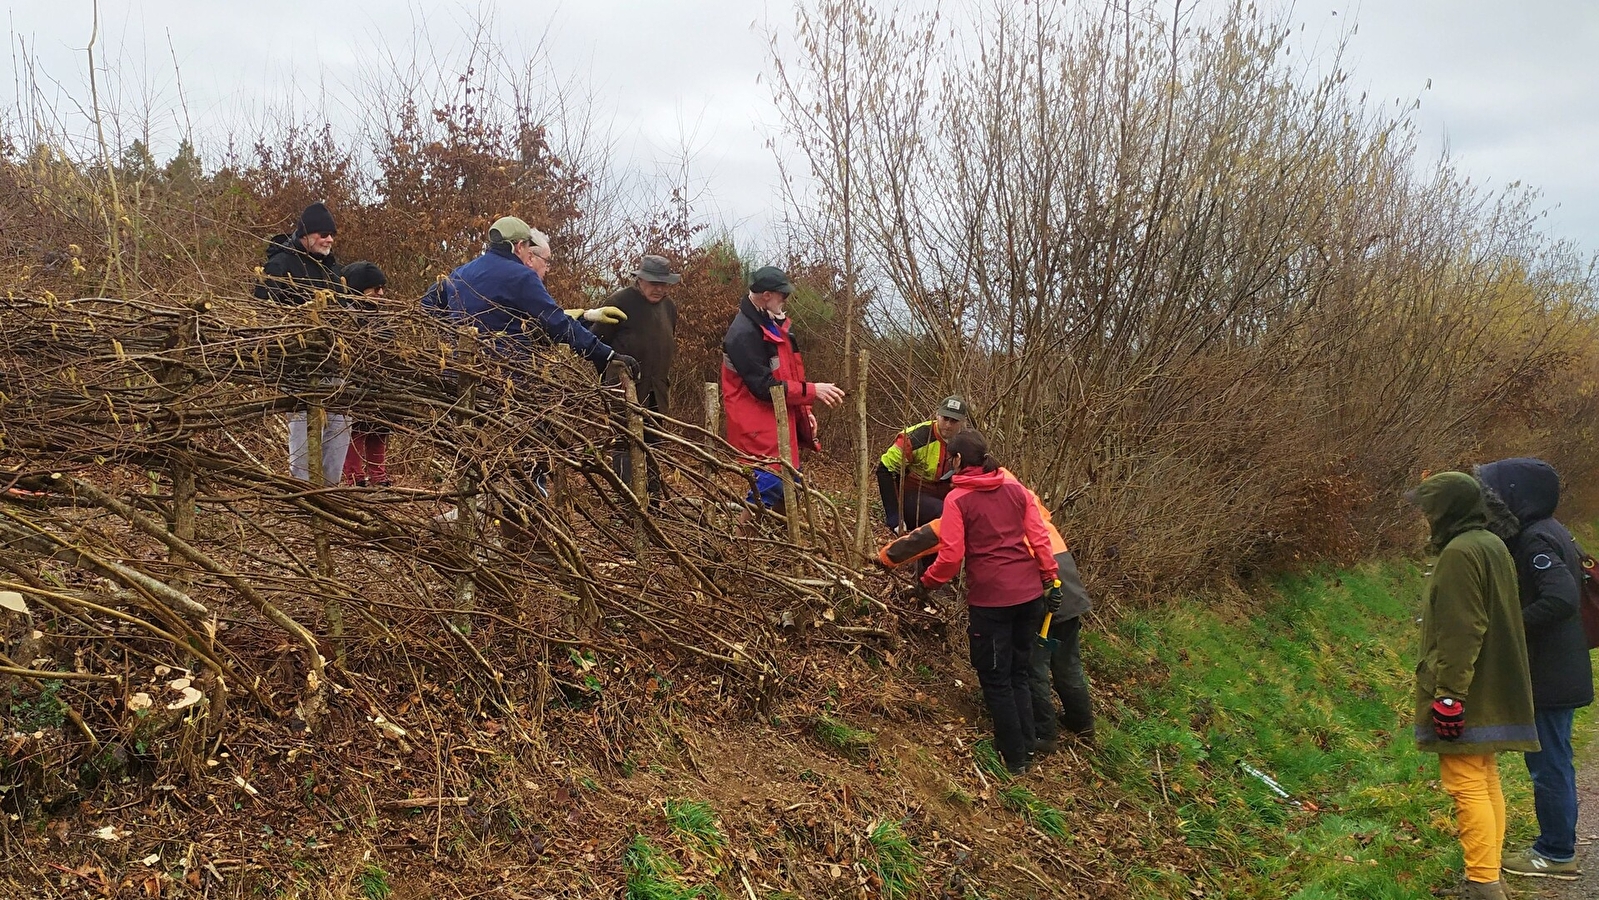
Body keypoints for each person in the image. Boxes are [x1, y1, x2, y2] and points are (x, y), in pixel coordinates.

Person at [876, 471, 1094, 752]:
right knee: (1067, 661)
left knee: (1031, 667)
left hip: (1033, 578)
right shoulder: (1019, 492)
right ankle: (1082, 724)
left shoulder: (976, 502)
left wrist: (886, 557)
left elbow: (932, 536)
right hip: (1063, 569)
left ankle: (1044, 733)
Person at [1408, 471, 1539, 900]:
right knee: (1484, 776)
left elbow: (1464, 629)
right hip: (1491, 684)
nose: (1424, 518)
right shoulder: (1491, 544)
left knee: (1465, 781)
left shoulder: (1461, 553)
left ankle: (1483, 884)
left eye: (1429, 509)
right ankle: (1490, 876)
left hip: (1470, 687)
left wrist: (1449, 695)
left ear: (1447, 510)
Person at [1475, 458, 1592, 881]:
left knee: (1550, 765)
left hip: (1552, 675)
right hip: (1557, 669)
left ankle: (1557, 853)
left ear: (1512, 496)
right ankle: (1556, 847)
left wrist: (1508, 627)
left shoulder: (1535, 538)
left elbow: (1560, 598)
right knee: (1552, 761)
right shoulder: (1547, 530)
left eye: (1490, 494)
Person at [918, 430, 1060, 775]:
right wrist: (1049, 578)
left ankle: (1014, 758)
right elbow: (1039, 537)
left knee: (995, 678)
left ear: (958, 461)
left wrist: (927, 583)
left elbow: (951, 556)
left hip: (992, 601)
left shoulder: (959, 499)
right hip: (1029, 596)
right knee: (1018, 673)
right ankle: (1026, 744)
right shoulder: (1015, 489)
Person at [421, 216, 637, 378]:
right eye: (527, 247)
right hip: (504, 379)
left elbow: (426, 306)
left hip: (456, 373)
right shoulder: (521, 276)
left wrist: (450, 331)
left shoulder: (460, 272)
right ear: (519, 246)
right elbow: (557, 324)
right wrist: (606, 355)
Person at [720, 266, 845, 509]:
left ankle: (785, 542)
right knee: (772, 483)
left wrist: (805, 410)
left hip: (777, 418)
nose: (785, 300)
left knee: (790, 480)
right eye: (783, 295)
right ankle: (741, 539)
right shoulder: (742, 334)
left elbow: (791, 371)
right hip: (755, 420)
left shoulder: (773, 324)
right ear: (767, 295)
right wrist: (813, 391)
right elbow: (764, 388)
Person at [253, 201, 351, 485]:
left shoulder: (332, 271)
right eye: (323, 234)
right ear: (305, 235)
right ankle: (305, 495)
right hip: (299, 369)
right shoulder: (280, 265)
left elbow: (344, 313)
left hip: (332, 366)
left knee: (338, 426)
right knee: (304, 431)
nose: (329, 239)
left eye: (331, 234)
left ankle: (328, 494)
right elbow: (265, 312)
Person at [589, 255, 682, 494]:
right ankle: (627, 503)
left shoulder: (669, 308)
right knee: (625, 444)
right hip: (623, 390)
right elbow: (595, 344)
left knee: (653, 445)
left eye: (664, 284)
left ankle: (652, 499)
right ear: (639, 280)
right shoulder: (619, 302)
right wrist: (612, 378)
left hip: (657, 391)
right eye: (653, 283)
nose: (659, 289)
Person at [876, 396, 969, 534]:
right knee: (946, 513)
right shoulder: (915, 438)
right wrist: (895, 517)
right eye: (945, 418)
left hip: (946, 493)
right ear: (937, 415)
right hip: (913, 495)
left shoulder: (967, 442)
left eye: (954, 421)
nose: (948, 425)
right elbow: (884, 469)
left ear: (962, 422)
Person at [340, 261, 393, 487]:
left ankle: (378, 474)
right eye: (374, 289)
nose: (380, 293)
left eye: (382, 288)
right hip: (356, 384)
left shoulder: (381, 319)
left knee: (379, 428)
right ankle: (354, 475)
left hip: (379, 384)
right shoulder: (347, 317)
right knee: (357, 429)